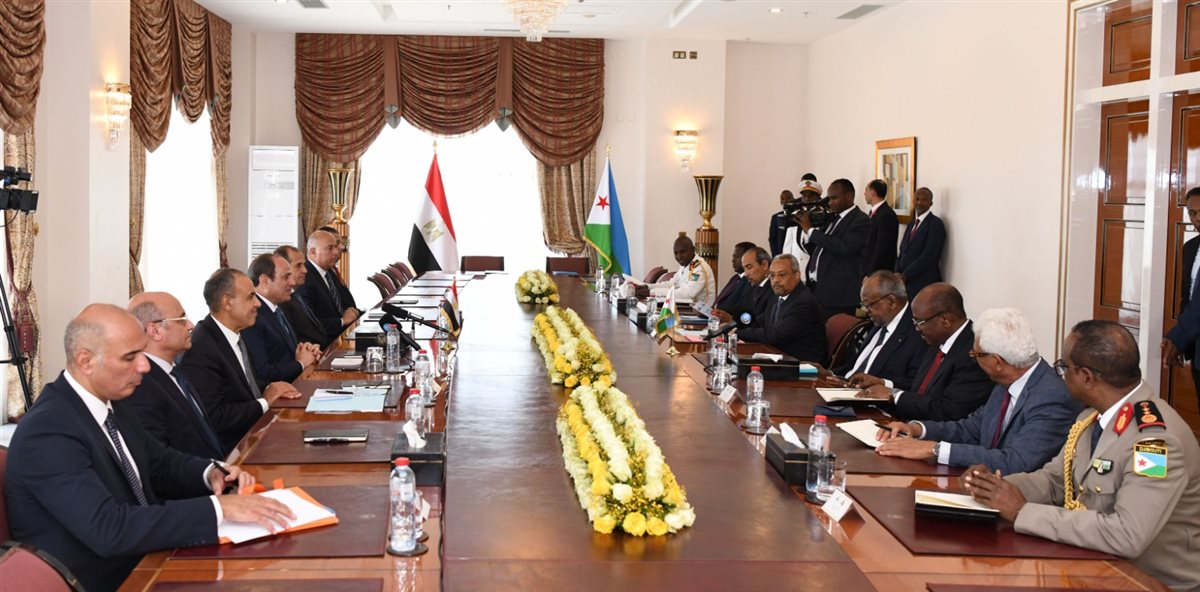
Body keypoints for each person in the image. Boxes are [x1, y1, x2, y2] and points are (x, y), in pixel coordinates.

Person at [4, 304, 295, 592]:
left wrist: (211, 473)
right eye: (130, 357)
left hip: (146, 558)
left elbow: (158, 461)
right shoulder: (47, 432)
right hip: (109, 579)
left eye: (142, 353)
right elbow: (108, 528)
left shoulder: (111, 401)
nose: (144, 366)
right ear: (86, 361)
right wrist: (218, 509)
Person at [963, 320, 1200, 591]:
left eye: (1064, 368)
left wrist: (1021, 512)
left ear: (1087, 377)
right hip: (1093, 567)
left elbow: (1126, 534)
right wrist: (993, 487)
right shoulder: (1091, 418)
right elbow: (1055, 480)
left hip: (1147, 583)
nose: (1060, 376)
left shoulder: (1156, 441)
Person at [874, 308, 1083, 475]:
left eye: (976, 355)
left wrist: (934, 449)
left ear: (997, 362)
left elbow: (1017, 461)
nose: (973, 359)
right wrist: (918, 429)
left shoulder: (1052, 398)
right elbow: (971, 428)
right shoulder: (1005, 383)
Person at [177, 268, 301, 453]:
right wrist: (265, 402)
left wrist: (273, 387)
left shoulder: (234, 333)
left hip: (256, 433)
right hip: (234, 450)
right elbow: (214, 417)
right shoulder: (200, 349)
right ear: (227, 302)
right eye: (251, 297)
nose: (258, 303)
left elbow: (246, 383)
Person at [859, 282, 994, 421]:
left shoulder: (975, 353)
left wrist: (894, 395)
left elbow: (948, 411)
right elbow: (919, 389)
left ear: (946, 320)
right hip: (906, 421)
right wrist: (883, 384)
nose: (917, 329)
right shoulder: (937, 340)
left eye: (919, 322)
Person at [125, 292, 225, 460]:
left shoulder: (174, 369)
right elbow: (159, 459)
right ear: (155, 331)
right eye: (182, 320)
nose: (191, 325)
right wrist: (209, 471)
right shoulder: (142, 386)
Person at [831, 271, 924, 390]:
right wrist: (829, 375)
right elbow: (854, 368)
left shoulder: (918, 332)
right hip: (845, 389)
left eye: (869, 305)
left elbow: (915, 384)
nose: (865, 310)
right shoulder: (880, 322)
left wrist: (882, 383)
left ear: (891, 302)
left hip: (873, 398)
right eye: (863, 305)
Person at [242, 253, 321, 388]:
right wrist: (301, 363)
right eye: (286, 277)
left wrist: (305, 350)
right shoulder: (253, 316)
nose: (293, 282)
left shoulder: (276, 308)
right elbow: (264, 373)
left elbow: (285, 353)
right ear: (264, 280)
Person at [799, 178, 870, 317]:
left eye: (834, 198)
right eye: (829, 198)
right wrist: (807, 234)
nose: (830, 202)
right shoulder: (833, 218)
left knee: (837, 329)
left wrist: (811, 231)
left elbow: (843, 247)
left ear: (849, 197)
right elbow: (819, 248)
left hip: (839, 295)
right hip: (819, 288)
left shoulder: (860, 220)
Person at [738, 254, 827, 364]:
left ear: (797, 275)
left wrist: (738, 332)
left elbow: (776, 336)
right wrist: (733, 325)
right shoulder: (777, 297)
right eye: (772, 275)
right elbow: (759, 321)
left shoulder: (803, 302)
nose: (775, 280)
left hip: (803, 365)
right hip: (782, 358)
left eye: (782, 275)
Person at [1162, 186, 1200, 409]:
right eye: (1192, 213)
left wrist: (1178, 338)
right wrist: (1183, 342)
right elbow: (1189, 297)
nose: (1197, 219)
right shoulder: (1190, 248)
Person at [296, 230, 359, 345]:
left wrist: (354, 312)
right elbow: (309, 323)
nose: (336, 251)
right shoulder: (305, 279)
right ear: (313, 252)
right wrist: (342, 321)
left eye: (335, 247)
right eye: (330, 248)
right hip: (323, 346)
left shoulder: (328, 271)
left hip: (341, 337)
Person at [895, 187, 945, 300]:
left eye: (924, 199)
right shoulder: (911, 223)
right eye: (917, 199)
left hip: (923, 283)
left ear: (931, 203)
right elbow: (902, 250)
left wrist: (905, 275)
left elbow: (929, 256)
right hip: (905, 283)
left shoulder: (935, 224)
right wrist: (897, 272)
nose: (919, 202)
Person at [641, 234, 717, 309]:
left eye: (682, 252)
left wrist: (652, 292)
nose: (679, 256)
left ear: (693, 249)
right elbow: (671, 284)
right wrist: (648, 287)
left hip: (701, 313)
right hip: (688, 308)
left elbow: (687, 294)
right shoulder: (686, 265)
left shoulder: (699, 268)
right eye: (676, 253)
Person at [275, 244, 327, 347]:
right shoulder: (281, 301)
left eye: (304, 264)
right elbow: (291, 339)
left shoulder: (295, 293)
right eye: (298, 265)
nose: (305, 270)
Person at [712, 246, 773, 328]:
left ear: (764, 265)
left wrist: (732, 321)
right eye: (744, 269)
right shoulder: (752, 287)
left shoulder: (774, 289)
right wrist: (720, 312)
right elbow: (740, 308)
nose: (746, 274)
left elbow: (760, 324)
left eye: (749, 267)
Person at [782, 179, 822, 279]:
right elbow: (787, 249)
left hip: (817, 272)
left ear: (818, 198)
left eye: (811, 196)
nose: (807, 199)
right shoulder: (794, 217)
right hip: (798, 271)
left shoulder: (823, 218)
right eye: (804, 196)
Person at [861, 178, 898, 276]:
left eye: (866, 190)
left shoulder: (886, 215)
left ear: (872, 193)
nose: (864, 194)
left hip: (878, 273)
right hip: (868, 269)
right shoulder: (875, 212)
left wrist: (869, 274)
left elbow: (881, 249)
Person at [317, 225, 358, 312]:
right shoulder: (318, 273)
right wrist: (343, 319)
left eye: (341, 243)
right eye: (336, 243)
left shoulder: (331, 270)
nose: (341, 247)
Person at [715, 241, 756, 311]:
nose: (733, 260)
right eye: (733, 257)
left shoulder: (750, 281)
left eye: (737, 257)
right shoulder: (735, 278)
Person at [769, 190, 795, 257]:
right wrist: (775, 255)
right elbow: (772, 239)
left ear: (794, 200)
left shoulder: (799, 215)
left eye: (788, 198)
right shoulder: (776, 217)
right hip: (781, 253)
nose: (785, 201)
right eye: (783, 199)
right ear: (781, 202)